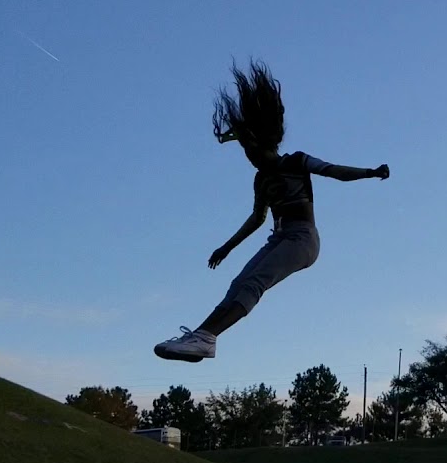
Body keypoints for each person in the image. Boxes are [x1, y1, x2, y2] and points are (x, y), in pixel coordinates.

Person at [154, 60, 389, 362]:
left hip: (302, 239)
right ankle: (201, 337)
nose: (249, 158)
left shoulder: (294, 162)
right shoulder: (261, 179)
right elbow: (257, 218)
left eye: (250, 150)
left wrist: (370, 172)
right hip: (278, 238)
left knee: (254, 283)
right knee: (239, 284)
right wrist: (226, 247)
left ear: (263, 143)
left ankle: (207, 337)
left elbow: (334, 171)